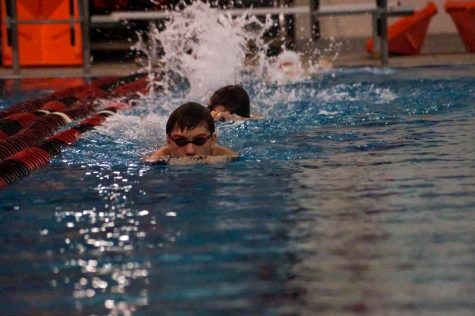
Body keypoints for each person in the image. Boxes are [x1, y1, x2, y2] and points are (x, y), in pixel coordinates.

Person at [144, 102, 237, 164]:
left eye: (199, 140)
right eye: (180, 141)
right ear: (168, 140)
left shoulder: (226, 156)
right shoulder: (158, 159)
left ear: (213, 140)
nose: (190, 151)